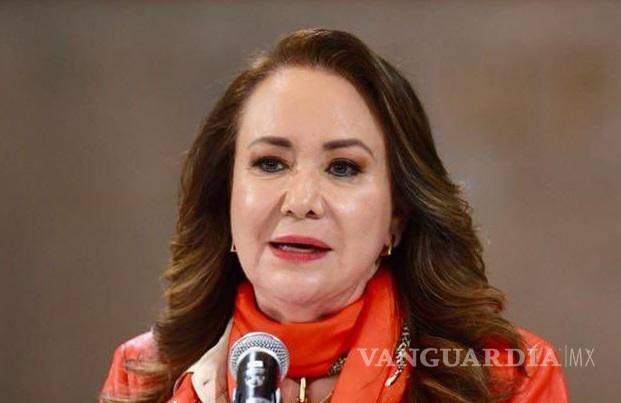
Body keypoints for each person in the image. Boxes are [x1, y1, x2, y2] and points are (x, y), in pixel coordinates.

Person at [99, 28, 569, 403]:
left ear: (397, 216)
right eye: (271, 163)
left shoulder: (509, 381)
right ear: (226, 198)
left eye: (343, 167)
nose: (301, 200)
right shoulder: (143, 377)